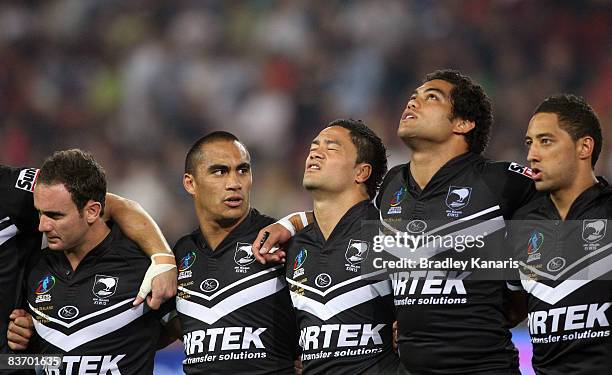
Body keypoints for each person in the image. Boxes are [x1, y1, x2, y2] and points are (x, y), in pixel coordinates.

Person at [254, 70, 535, 374]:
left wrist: (514, 286)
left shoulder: (502, 180)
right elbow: (344, 215)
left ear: (463, 123)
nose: (413, 102)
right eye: (413, 96)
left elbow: (569, 217)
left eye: (431, 98)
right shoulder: (393, 185)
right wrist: (293, 222)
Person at [1, 162, 177, 362]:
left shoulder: (17, 186)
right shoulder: (37, 270)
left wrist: (163, 258)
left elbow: (109, 202)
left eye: (54, 215)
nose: (41, 226)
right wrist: (36, 330)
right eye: (40, 214)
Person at [161, 132, 298, 374]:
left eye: (243, 170)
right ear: (190, 183)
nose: (234, 183)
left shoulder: (277, 241)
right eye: (220, 171)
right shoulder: (182, 252)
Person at [506, 94, 611, 374]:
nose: (532, 154)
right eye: (529, 143)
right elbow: (512, 310)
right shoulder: (521, 224)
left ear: (584, 147)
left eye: (546, 141)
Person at [285, 119, 399, 374]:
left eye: (331, 147)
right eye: (314, 146)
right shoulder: (292, 247)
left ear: (361, 172)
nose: (315, 152)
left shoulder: (387, 231)